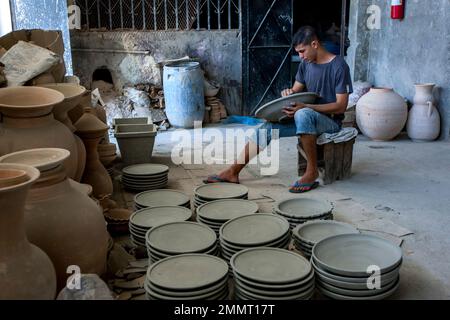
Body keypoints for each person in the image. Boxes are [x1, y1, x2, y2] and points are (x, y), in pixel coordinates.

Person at [204, 26, 353, 193]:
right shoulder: (306, 64)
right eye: (298, 52)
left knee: (303, 113)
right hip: (307, 119)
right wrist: (289, 93)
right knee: (267, 128)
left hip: (330, 122)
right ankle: (233, 172)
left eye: (302, 51)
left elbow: (341, 106)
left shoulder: (339, 66)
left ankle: (311, 172)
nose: (301, 56)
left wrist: (306, 107)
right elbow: (296, 90)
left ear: (315, 44)